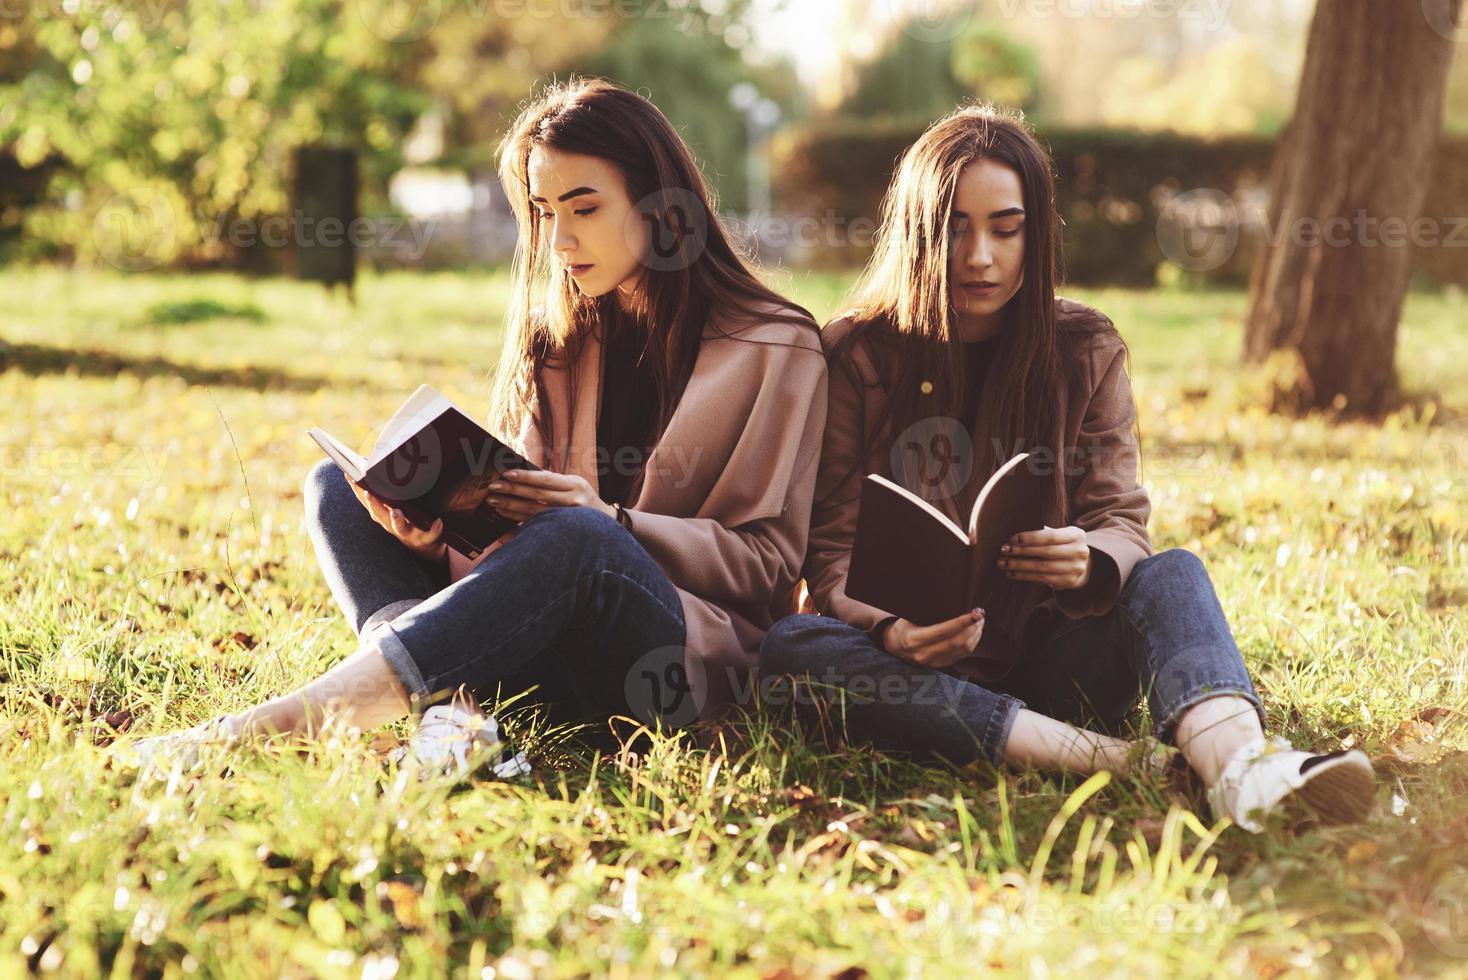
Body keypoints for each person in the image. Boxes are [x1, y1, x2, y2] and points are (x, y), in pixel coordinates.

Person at [128, 78, 827, 775]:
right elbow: (514, 533)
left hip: (664, 666)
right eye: (544, 211)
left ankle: (297, 720)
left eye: (585, 207)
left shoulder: (775, 346)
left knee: (581, 535)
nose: (560, 239)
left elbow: (768, 565)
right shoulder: (563, 337)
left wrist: (617, 522)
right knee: (336, 490)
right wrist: (435, 539)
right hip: (536, 647)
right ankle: (447, 715)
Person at [758, 104, 1375, 833]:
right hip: (912, 668)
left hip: (1056, 654)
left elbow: (1120, 519)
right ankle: (1118, 761)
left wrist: (1088, 559)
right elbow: (828, 551)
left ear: (1036, 232)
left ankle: (1245, 768)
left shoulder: (1084, 347)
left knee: (1172, 573)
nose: (979, 256)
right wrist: (891, 632)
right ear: (917, 232)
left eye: (1005, 229)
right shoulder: (858, 353)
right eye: (954, 228)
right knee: (791, 648)